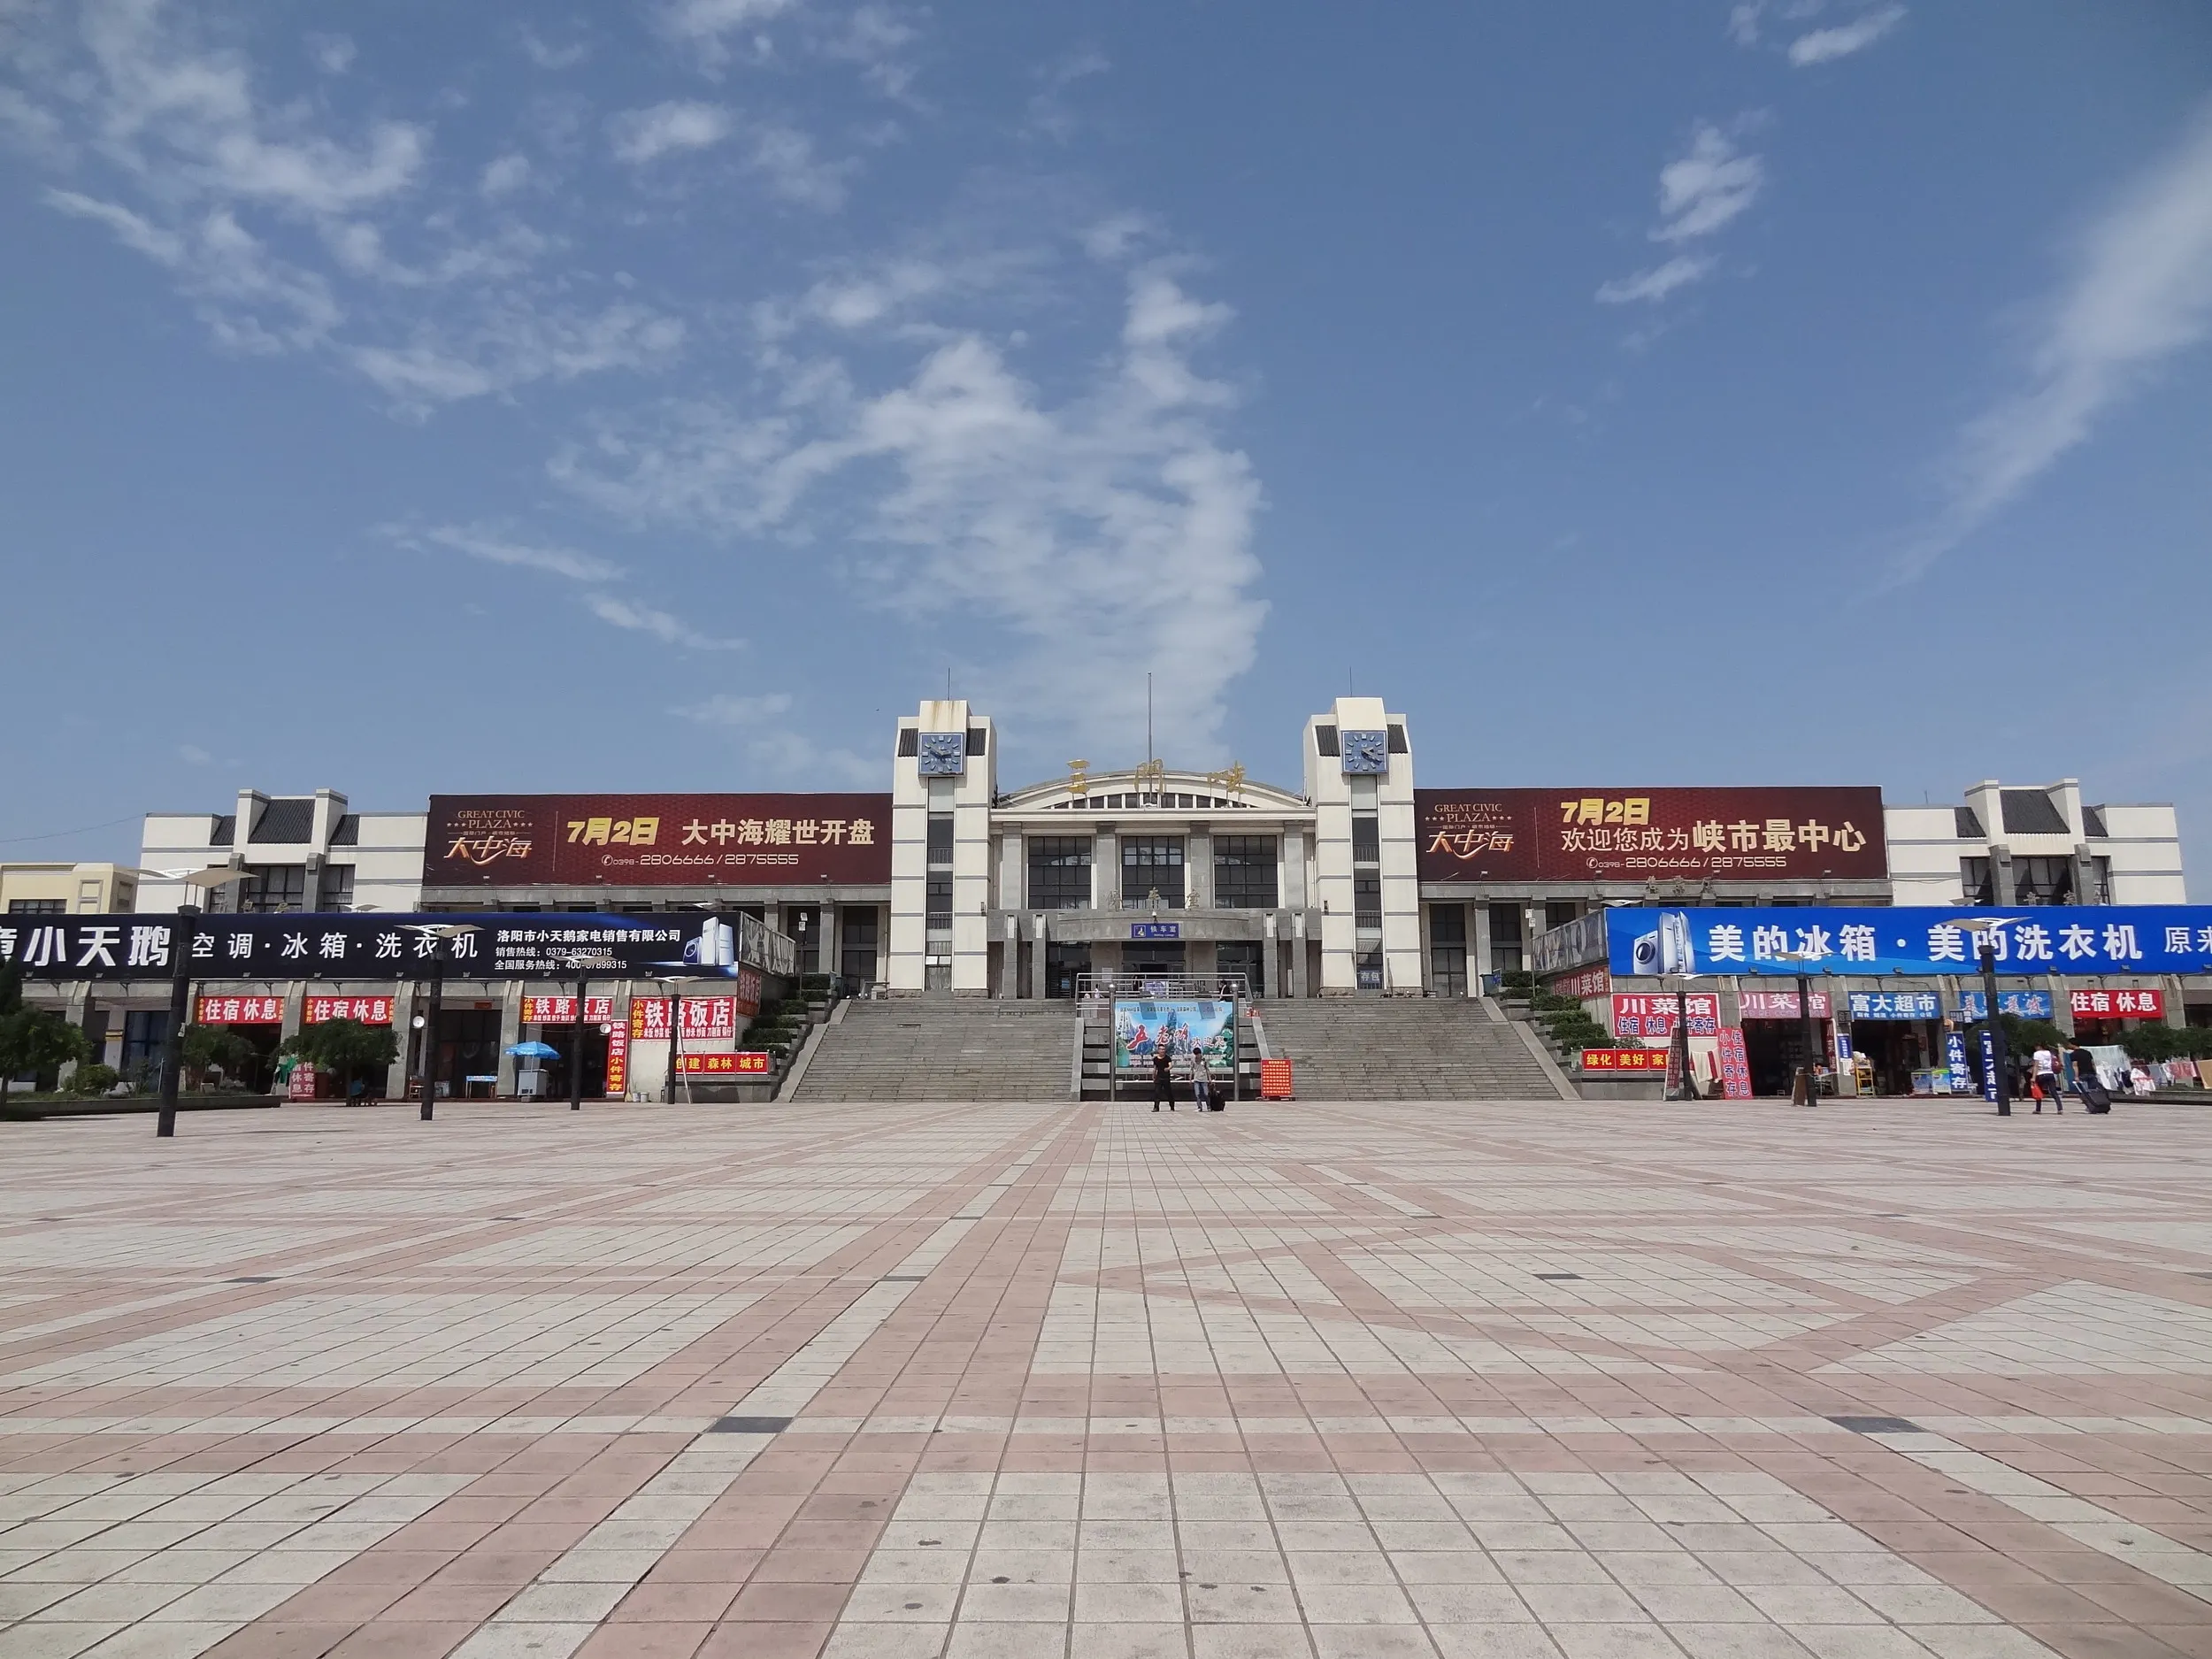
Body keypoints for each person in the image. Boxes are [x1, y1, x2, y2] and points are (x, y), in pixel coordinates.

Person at [2031, 1042, 2064, 1113]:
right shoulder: (2049, 1053)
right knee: (2054, 1092)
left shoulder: (2037, 1054)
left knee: (2038, 1091)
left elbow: (2036, 1066)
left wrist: (2033, 1077)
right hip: (2050, 1073)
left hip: (2041, 1074)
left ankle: (2038, 1109)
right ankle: (2060, 1108)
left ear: (2039, 1046)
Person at [1151, 1041, 1175, 1111]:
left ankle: (1172, 1106)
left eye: (1164, 1049)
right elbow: (1155, 1068)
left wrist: (1168, 1068)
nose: (1162, 1051)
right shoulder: (1155, 1059)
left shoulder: (1167, 1058)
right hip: (1159, 1078)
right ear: (1158, 1050)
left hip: (1166, 1078)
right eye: (1161, 1049)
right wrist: (1153, 1076)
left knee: (1168, 1093)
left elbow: (1171, 1065)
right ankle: (1156, 1107)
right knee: (1157, 1093)